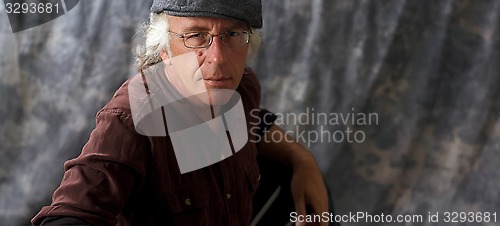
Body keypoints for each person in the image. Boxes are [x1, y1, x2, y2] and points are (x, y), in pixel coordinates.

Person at [32, 0, 330, 225]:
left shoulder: (241, 87)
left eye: (232, 34)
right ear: (165, 50)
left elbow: (256, 124)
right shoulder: (132, 118)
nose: (218, 57)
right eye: (196, 36)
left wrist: (301, 160)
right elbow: (72, 214)